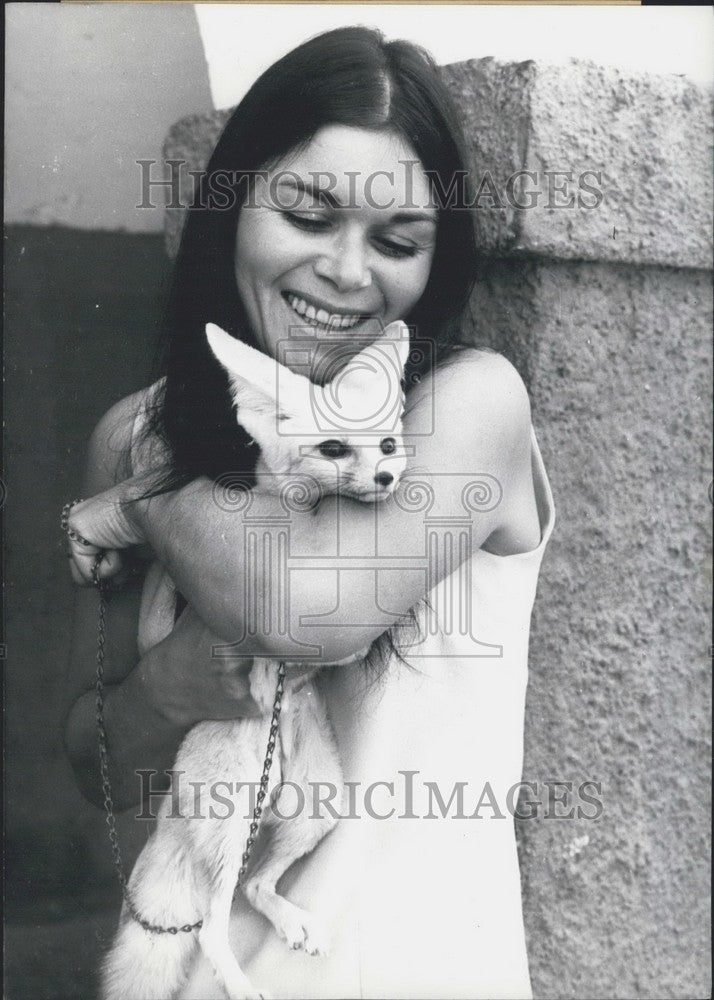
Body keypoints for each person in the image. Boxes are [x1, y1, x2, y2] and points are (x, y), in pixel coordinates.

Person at [63, 25, 555, 999]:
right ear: (231, 206)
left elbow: (302, 612)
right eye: (307, 214)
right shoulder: (138, 429)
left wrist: (145, 499)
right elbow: (98, 766)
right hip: (198, 976)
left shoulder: (466, 406)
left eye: (397, 241)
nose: (347, 270)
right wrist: (167, 691)